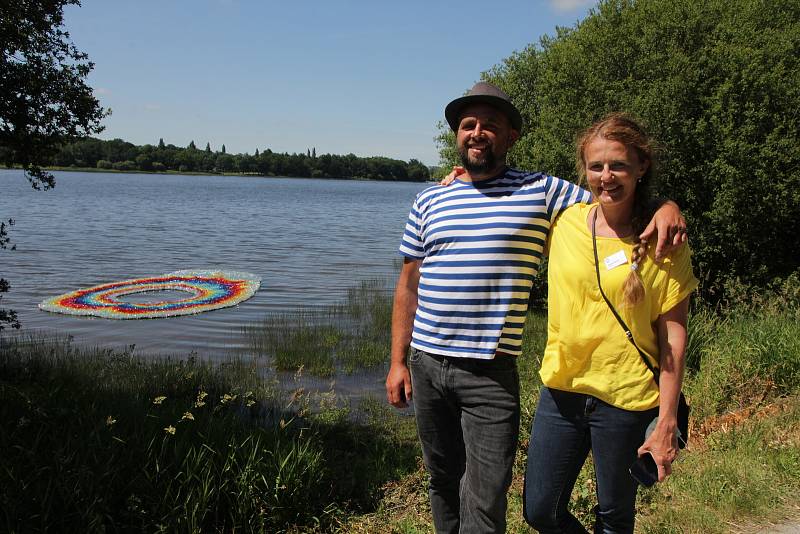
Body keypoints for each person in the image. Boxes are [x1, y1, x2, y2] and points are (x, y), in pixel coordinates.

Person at [385, 82, 686, 534]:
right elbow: (408, 284)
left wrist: (667, 205)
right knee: (443, 480)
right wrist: (397, 362)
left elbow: (614, 197)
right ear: (457, 135)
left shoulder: (543, 193)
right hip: (427, 365)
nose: (478, 133)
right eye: (469, 125)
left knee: (486, 495)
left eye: (491, 125)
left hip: (490, 372)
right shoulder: (430, 197)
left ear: (512, 137)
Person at [522, 113, 698, 533]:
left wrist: (668, 419)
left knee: (615, 516)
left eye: (618, 165)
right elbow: (501, 203)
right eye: (596, 166)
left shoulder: (663, 243)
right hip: (562, 392)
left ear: (641, 167)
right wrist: (464, 181)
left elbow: (673, 335)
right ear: (584, 170)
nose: (607, 176)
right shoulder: (564, 223)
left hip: (627, 398)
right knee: (540, 510)